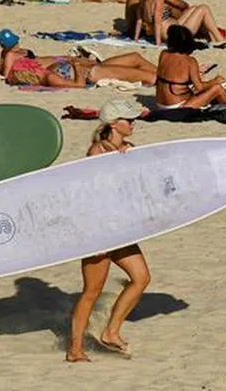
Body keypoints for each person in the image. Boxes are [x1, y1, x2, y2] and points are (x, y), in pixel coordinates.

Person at [66, 100, 149, 362]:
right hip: (99, 231)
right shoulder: (97, 151)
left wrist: (132, 160)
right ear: (113, 124)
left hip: (119, 229)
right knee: (92, 292)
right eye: (128, 119)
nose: (133, 123)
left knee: (141, 278)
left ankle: (111, 332)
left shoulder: (129, 148)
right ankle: (75, 349)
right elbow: (92, 192)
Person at [154, 25, 226, 110]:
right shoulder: (190, 61)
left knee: (206, 91)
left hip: (160, 104)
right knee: (217, 88)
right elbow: (199, 87)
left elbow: (174, 74)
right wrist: (215, 81)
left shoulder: (164, 54)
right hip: (178, 107)